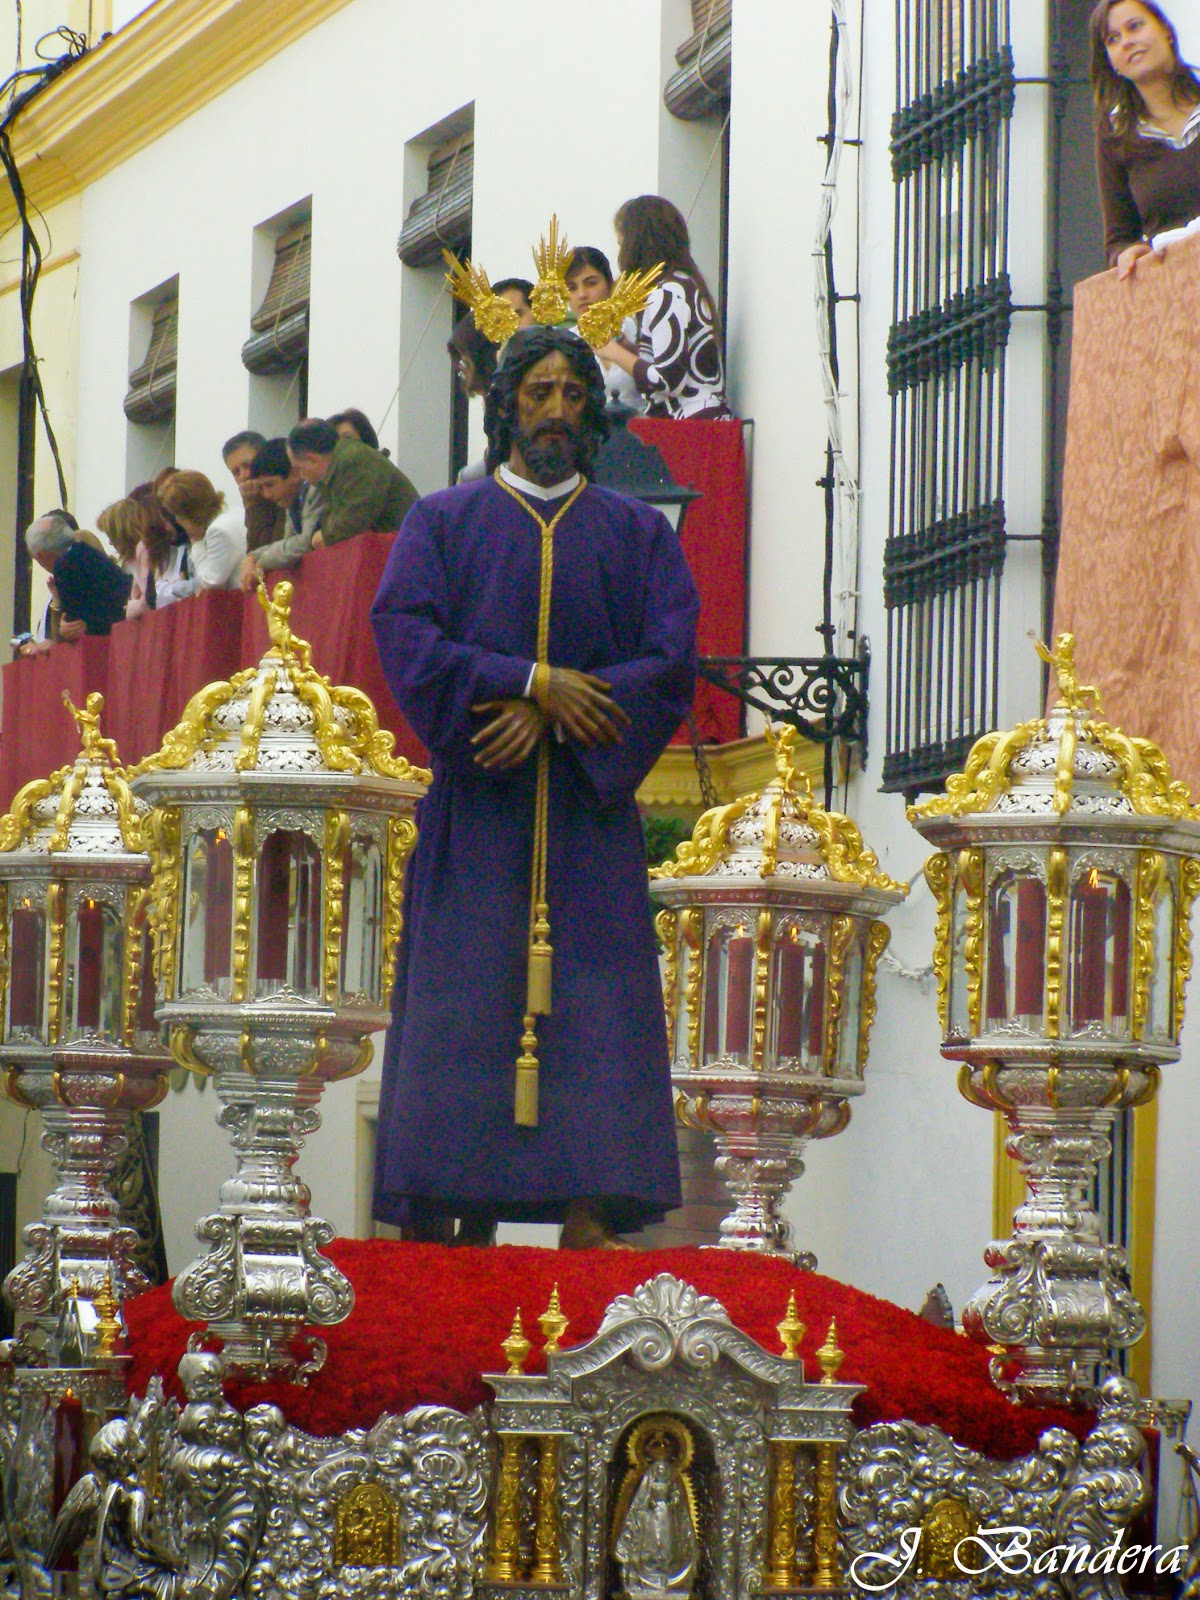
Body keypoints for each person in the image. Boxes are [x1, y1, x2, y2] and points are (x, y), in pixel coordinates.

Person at [370, 325, 699, 1248]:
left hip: (592, 828)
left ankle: (586, 1228)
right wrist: (523, 683)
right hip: (480, 815)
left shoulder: (636, 533)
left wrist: (553, 708)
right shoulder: (442, 523)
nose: (556, 410)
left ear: (591, 409)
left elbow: (670, 661)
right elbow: (407, 636)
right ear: (506, 403)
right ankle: (461, 1223)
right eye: (538, 392)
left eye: (572, 393)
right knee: (466, 1013)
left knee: (595, 1029)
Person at [594, 195, 728, 420]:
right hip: (700, 421)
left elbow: (666, 381)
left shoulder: (667, 293)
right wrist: (629, 349)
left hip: (690, 425)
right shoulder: (684, 283)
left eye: (621, 244)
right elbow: (675, 362)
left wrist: (612, 352)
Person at [1091, 0, 1200, 275]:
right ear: (1111, 62)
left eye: (1135, 27)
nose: (1127, 42)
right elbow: (1118, 239)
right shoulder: (1115, 133)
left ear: (1166, 30)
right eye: (1113, 39)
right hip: (1177, 289)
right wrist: (1128, 254)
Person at [287, 418, 418, 545]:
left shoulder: (353, 462)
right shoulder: (339, 466)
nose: (301, 476)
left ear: (312, 460)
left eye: (298, 468)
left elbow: (352, 524)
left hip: (411, 549)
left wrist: (320, 537)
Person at [565, 246, 646, 413]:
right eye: (572, 287)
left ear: (611, 285)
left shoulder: (637, 330)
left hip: (640, 430)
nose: (581, 294)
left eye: (591, 283)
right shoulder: (565, 341)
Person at [25, 514, 132, 641]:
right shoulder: (85, 552)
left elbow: (73, 627)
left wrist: (63, 628)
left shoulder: (65, 565)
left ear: (42, 554)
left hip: (111, 640)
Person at [238, 438, 323, 589]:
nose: (266, 495)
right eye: (261, 488)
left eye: (270, 485)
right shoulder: (291, 498)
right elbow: (288, 542)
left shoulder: (316, 489)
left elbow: (306, 542)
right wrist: (253, 556)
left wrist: (262, 560)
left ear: (295, 474)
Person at [157, 470, 246, 591]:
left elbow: (210, 582)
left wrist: (196, 544)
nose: (177, 521)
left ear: (190, 514)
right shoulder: (233, 512)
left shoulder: (218, 530)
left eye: (178, 516)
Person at [222, 428, 281, 550]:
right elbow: (255, 550)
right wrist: (253, 505)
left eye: (248, 465)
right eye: (236, 472)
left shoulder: (286, 493)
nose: (244, 476)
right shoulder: (252, 500)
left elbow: (274, 546)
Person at [96, 498, 154, 619]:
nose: (110, 543)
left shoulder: (142, 550)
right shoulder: (132, 560)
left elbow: (149, 598)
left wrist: (133, 608)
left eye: (110, 536)